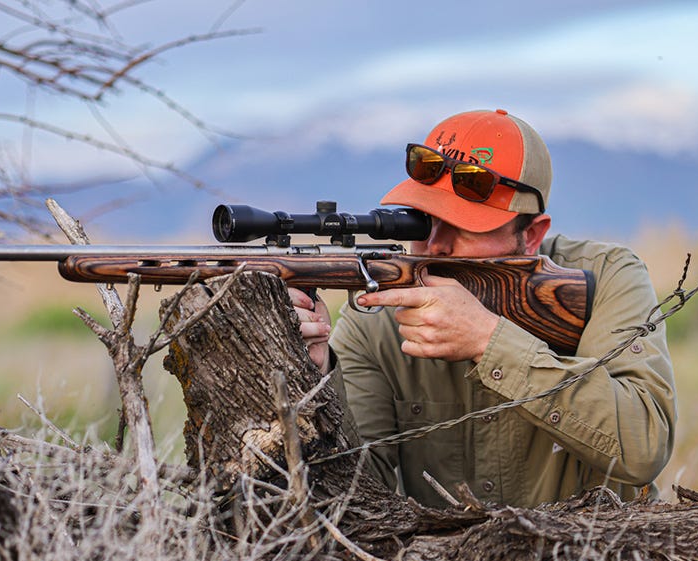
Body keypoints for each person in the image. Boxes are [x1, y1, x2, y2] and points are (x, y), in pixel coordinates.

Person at [289, 108, 675, 508]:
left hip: (598, 555)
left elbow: (643, 447)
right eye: (422, 221)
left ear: (532, 235)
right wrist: (314, 375)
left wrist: (488, 342)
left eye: (463, 225)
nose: (435, 244)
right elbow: (357, 492)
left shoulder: (605, 276)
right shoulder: (376, 314)